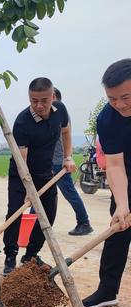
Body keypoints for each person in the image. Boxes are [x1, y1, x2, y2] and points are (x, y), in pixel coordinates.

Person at [3, 77, 76, 275]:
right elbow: (22, 161)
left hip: (45, 172)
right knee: (16, 213)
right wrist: (28, 188)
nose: (39, 105)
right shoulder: (22, 122)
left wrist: (68, 158)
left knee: (48, 214)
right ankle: (10, 256)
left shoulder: (60, 110)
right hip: (21, 173)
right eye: (34, 100)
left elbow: (67, 131)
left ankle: (31, 255)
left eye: (44, 100)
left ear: (53, 96)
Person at [82, 59, 131, 307]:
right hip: (127, 176)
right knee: (119, 227)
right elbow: (114, 164)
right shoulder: (108, 119)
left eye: (126, 97)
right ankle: (107, 291)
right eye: (112, 98)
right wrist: (122, 204)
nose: (119, 104)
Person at [52, 88, 93, 235]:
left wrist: (65, 159)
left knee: (69, 192)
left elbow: (64, 137)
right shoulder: (56, 113)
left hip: (58, 161)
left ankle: (84, 222)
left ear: (54, 96)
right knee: (43, 193)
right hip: (56, 160)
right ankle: (36, 222)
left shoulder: (60, 113)